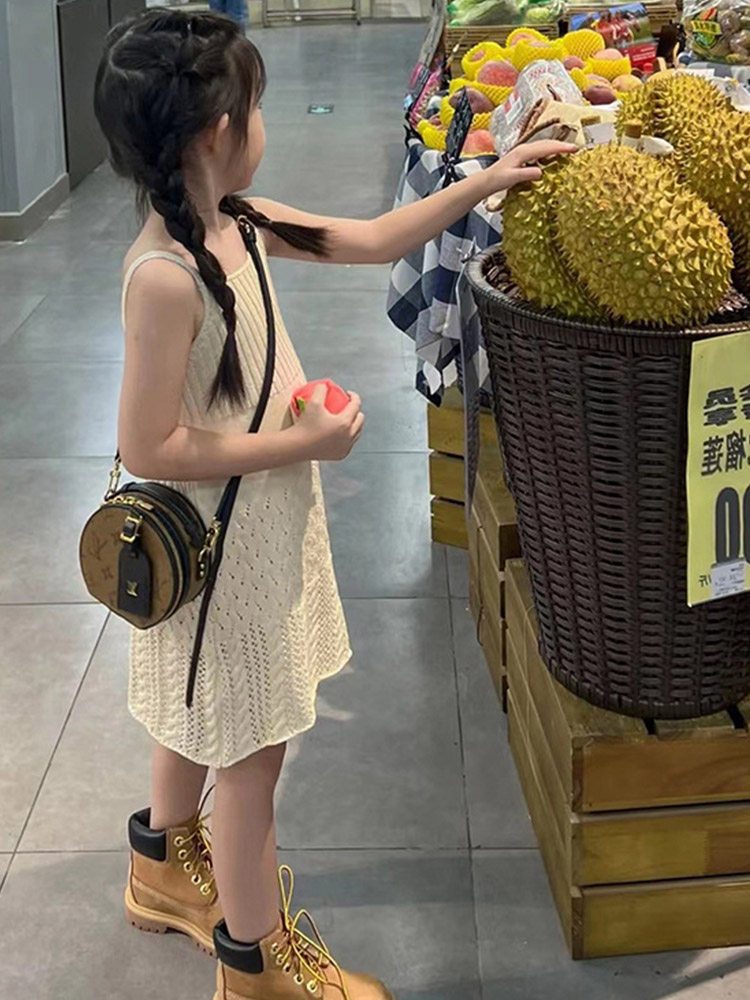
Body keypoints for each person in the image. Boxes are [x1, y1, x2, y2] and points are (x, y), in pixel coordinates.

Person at [93, 10, 574, 1000]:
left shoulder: (243, 220)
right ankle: (256, 961)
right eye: (255, 106)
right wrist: (303, 443)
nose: (262, 122)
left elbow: (368, 239)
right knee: (252, 756)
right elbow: (150, 445)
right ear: (215, 133)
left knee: (201, 705)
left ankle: (162, 865)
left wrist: (485, 180)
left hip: (249, 531)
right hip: (217, 547)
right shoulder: (163, 278)